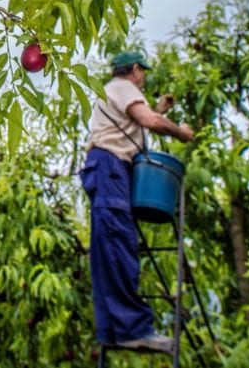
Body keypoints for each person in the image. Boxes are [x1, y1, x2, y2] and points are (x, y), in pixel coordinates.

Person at [80, 51, 194, 354]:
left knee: (111, 248)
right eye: (142, 72)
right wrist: (180, 133)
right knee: (118, 245)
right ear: (133, 70)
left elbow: (139, 122)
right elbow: (150, 121)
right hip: (110, 168)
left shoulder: (113, 92)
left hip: (108, 169)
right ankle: (131, 328)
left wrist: (159, 109)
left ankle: (116, 329)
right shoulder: (123, 86)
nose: (143, 78)